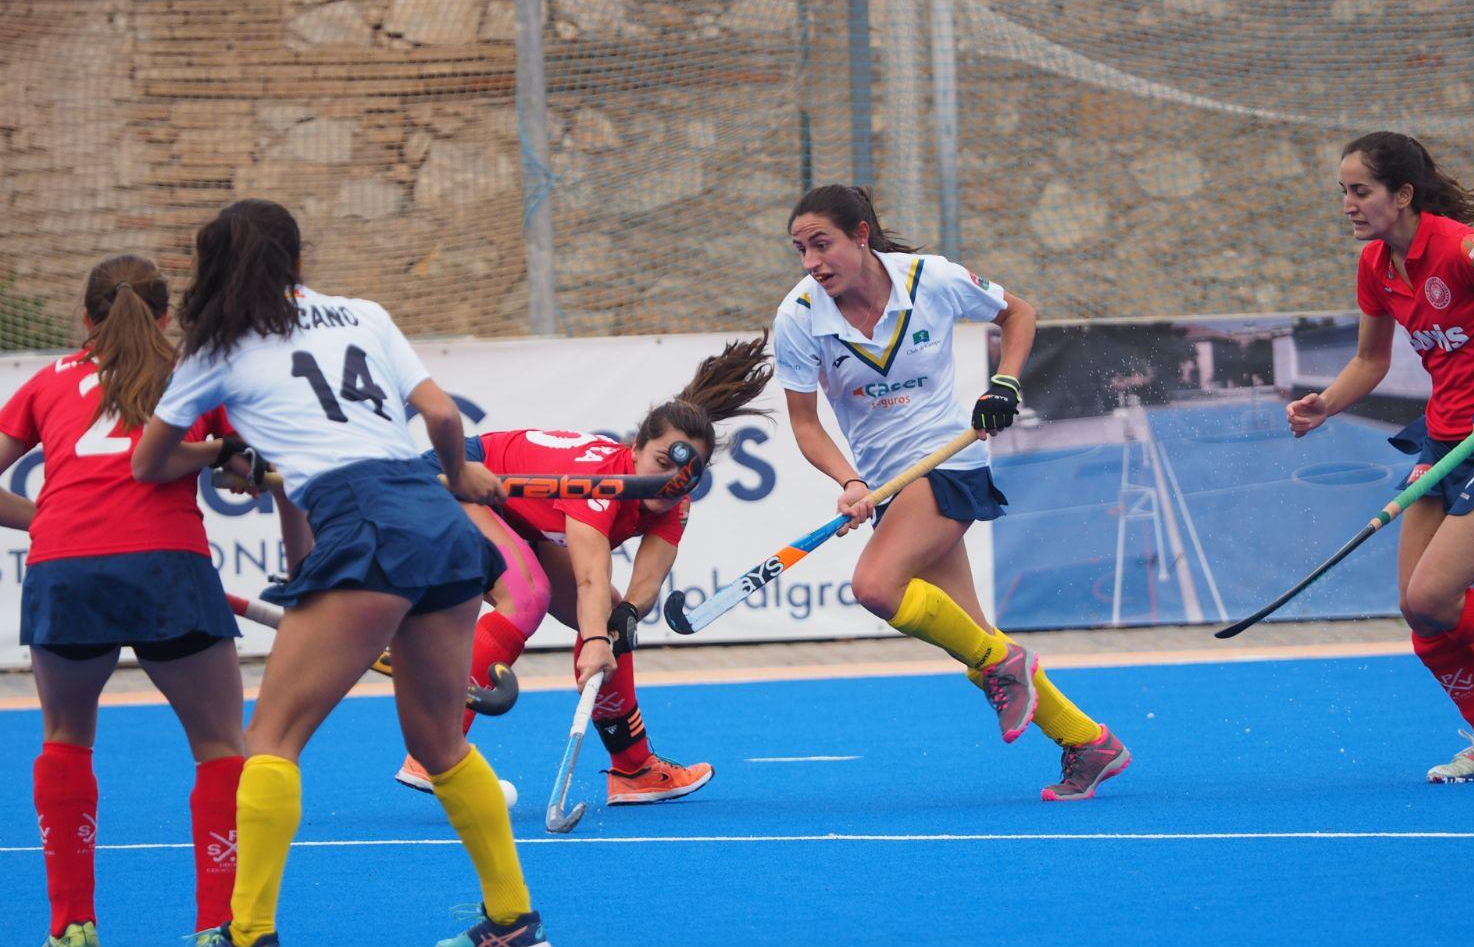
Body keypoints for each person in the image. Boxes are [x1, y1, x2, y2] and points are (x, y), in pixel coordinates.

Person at [135, 199, 543, 947]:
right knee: (437, 741)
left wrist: (227, 448)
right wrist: (460, 475)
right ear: (295, 255)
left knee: (273, 739)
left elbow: (151, 463)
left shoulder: (216, 344)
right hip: (437, 522)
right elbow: (439, 413)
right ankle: (513, 919)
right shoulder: (362, 311)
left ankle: (247, 942)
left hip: (363, 526)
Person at [772, 185, 1128, 801]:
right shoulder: (799, 317)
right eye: (801, 249)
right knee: (977, 638)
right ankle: (1088, 742)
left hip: (948, 461)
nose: (811, 261)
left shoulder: (928, 278)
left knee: (875, 588)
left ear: (861, 234)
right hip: (887, 484)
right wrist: (851, 481)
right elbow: (806, 424)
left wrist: (1005, 385)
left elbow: (1019, 312)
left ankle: (1004, 668)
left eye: (821, 243)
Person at [1287, 131, 1474, 782]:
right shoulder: (1375, 263)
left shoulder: (1462, 248)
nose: (1347, 203)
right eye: (1343, 190)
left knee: (1435, 591)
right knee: (1420, 611)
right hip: (1445, 439)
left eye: (1360, 190)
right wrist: (1326, 405)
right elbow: (1370, 360)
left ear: (1401, 194)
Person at [0, 254, 248, 947]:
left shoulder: (46, 382)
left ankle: (73, 932)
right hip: (169, 565)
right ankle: (220, 935)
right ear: (168, 316)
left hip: (64, 568)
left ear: (86, 318)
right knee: (218, 745)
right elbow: (243, 466)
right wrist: (227, 458)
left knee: (67, 739)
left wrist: (46, 517)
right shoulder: (195, 376)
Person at [392, 336, 772, 806]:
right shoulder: (599, 481)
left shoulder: (674, 500)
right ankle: (436, 750)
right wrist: (593, 641)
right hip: (451, 481)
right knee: (527, 598)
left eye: (687, 477)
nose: (671, 483)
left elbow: (646, 580)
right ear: (635, 448)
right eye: (659, 464)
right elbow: (589, 576)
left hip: (513, 515)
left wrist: (624, 617)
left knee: (610, 615)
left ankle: (633, 769)